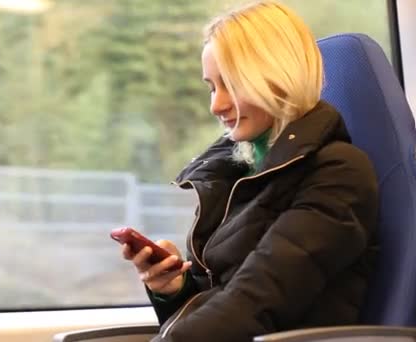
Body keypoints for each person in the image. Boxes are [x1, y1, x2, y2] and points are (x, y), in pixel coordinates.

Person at [120, 1, 379, 341]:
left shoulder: (338, 173)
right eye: (212, 87)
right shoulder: (243, 174)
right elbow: (219, 305)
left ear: (278, 77)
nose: (216, 105)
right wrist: (173, 289)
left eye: (231, 84)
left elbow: (251, 306)